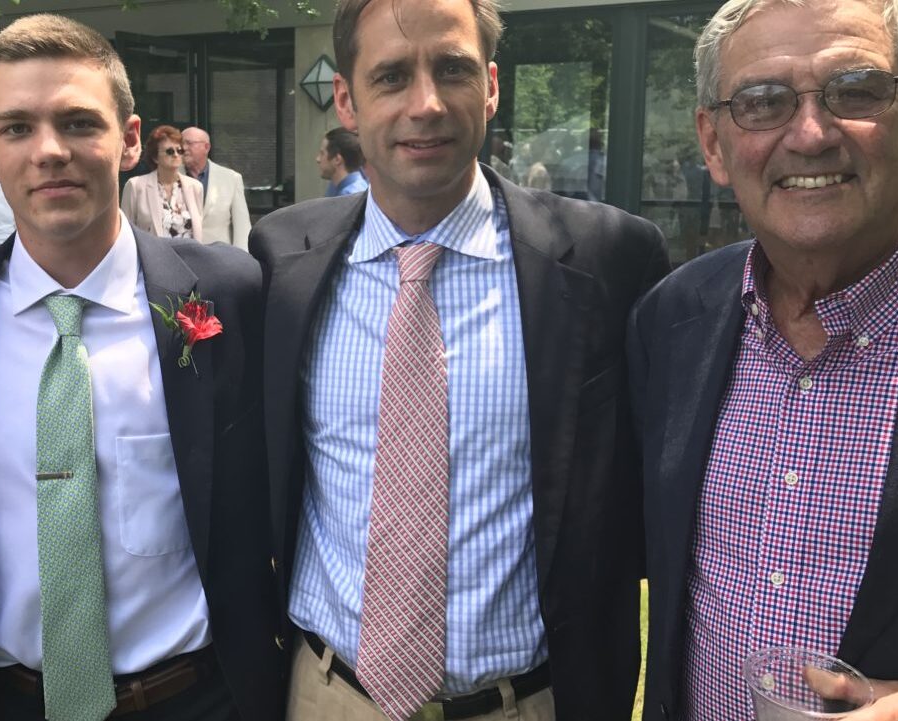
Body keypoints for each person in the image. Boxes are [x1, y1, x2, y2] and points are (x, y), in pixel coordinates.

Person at [250, 1, 669, 719]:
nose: (427, 103)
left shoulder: (609, 260)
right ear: (347, 100)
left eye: (453, 70)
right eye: (390, 76)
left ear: (493, 85)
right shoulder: (283, 257)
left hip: (528, 702)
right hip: (329, 695)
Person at [0, 14, 281, 721]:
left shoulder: (231, 293)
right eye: (17, 128)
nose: (49, 151)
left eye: (79, 123)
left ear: (126, 140)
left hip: (195, 698)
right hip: (2, 700)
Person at [628, 1, 898, 720]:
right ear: (713, 143)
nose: (809, 134)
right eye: (763, 102)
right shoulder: (670, 320)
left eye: (857, 90)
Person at [122, 124, 204, 240]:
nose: (176, 155)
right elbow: (126, 233)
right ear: (155, 157)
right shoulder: (135, 186)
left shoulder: (195, 187)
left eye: (179, 150)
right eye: (170, 151)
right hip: (152, 256)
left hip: (188, 257)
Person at [182, 127, 252, 249]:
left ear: (206, 147)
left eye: (189, 143)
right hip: (181, 258)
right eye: (180, 143)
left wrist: (242, 261)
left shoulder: (231, 179)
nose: (183, 148)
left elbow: (242, 227)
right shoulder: (169, 178)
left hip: (219, 259)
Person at [316, 127, 368, 196]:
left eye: (322, 153)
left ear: (337, 159)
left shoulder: (350, 196)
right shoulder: (336, 187)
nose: (318, 159)